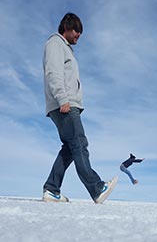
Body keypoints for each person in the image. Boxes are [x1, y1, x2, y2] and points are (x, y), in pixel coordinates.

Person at [42, 13, 117, 204]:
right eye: (76, 30)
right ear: (66, 27)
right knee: (80, 144)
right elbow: (53, 73)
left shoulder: (64, 48)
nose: (78, 35)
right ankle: (96, 188)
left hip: (64, 103)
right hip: (64, 104)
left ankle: (52, 189)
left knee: (69, 147)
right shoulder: (55, 44)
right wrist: (62, 99)